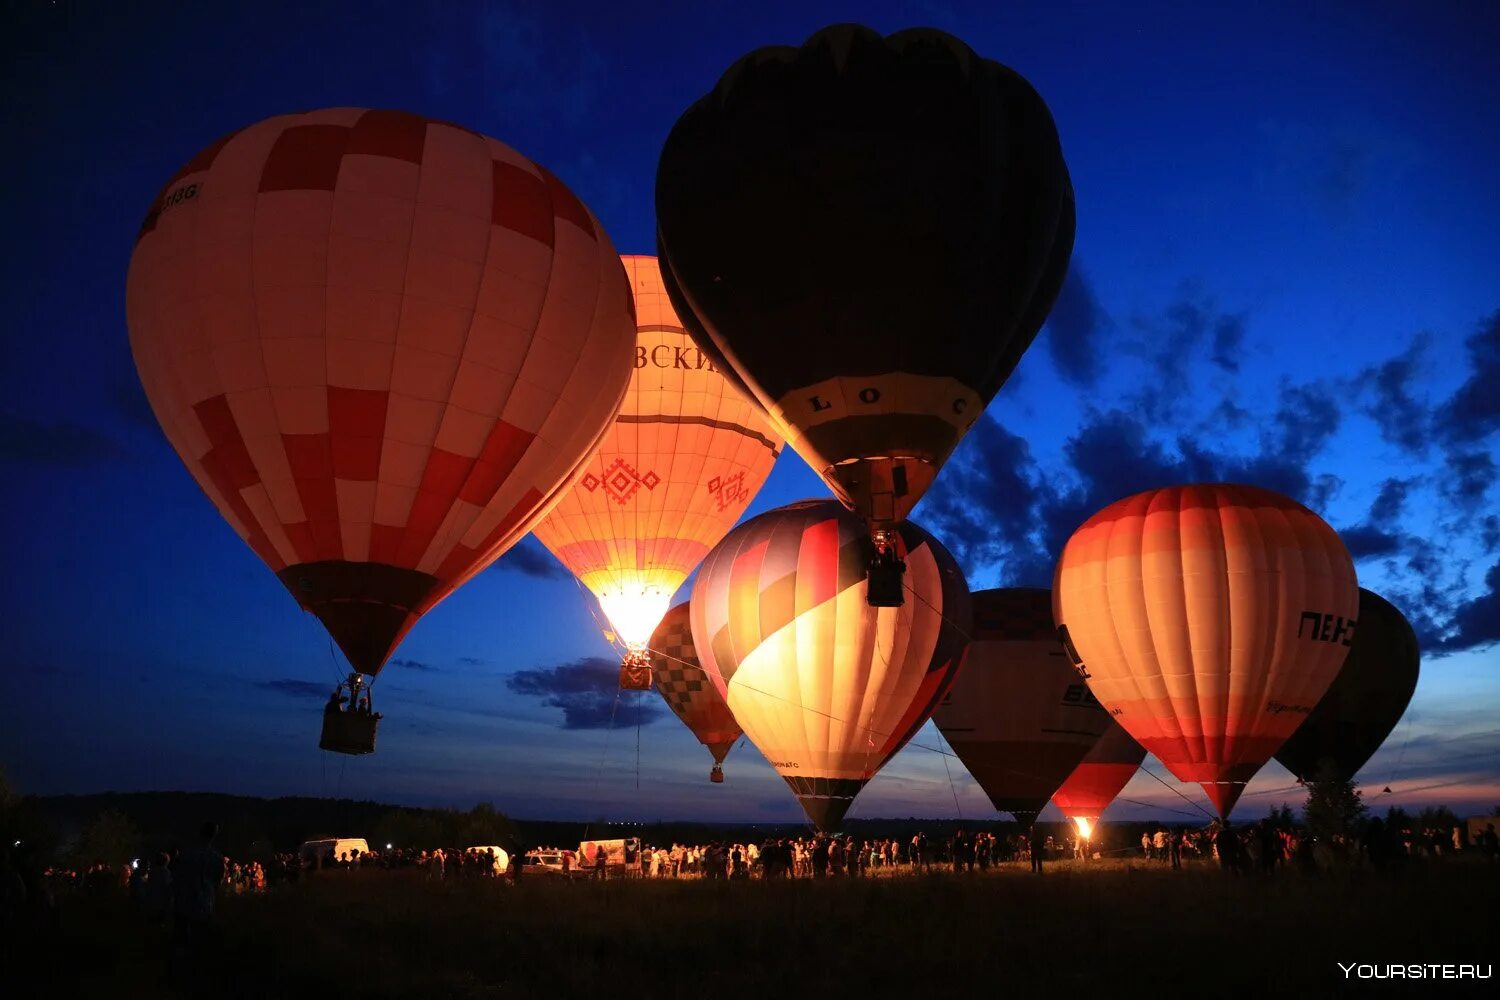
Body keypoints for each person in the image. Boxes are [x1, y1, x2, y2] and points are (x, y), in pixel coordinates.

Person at [171, 822, 226, 969]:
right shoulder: (216, 857)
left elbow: (177, 877)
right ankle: (198, 967)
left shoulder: (187, 855)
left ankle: (180, 967)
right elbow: (217, 881)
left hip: (185, 900)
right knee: (200, 937)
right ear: (214, 836)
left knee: (182, 938)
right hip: (204, 902)